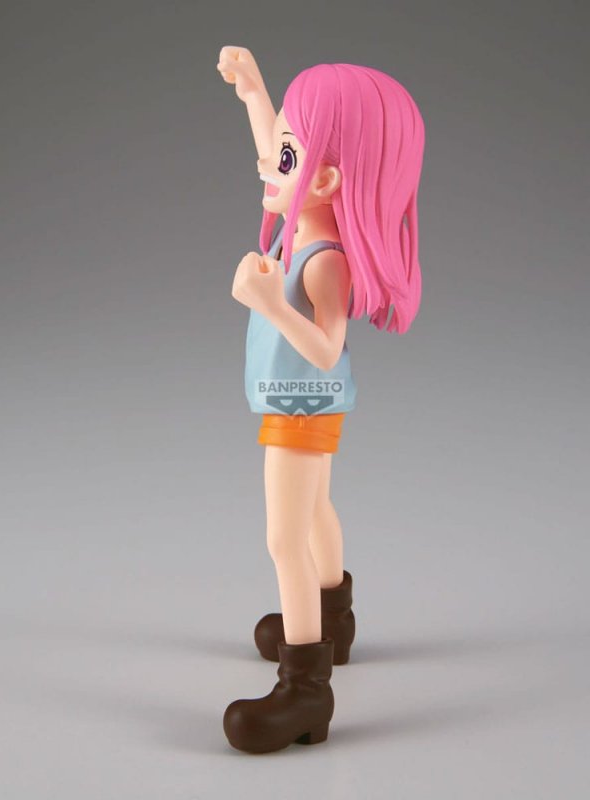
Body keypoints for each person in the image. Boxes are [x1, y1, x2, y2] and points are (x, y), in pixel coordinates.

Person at [215, 45, 425, 753]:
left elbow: (328, 348)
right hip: (308, 403)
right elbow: (280, 156)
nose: (267, 163)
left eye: (286, 153)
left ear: (328, 177)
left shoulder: (325, 259)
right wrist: (256, 95)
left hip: (299, 405)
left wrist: (270, 303)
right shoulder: (308, 222)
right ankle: (333, 618)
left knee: (283, 537)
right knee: (315, 513)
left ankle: (305, 687)